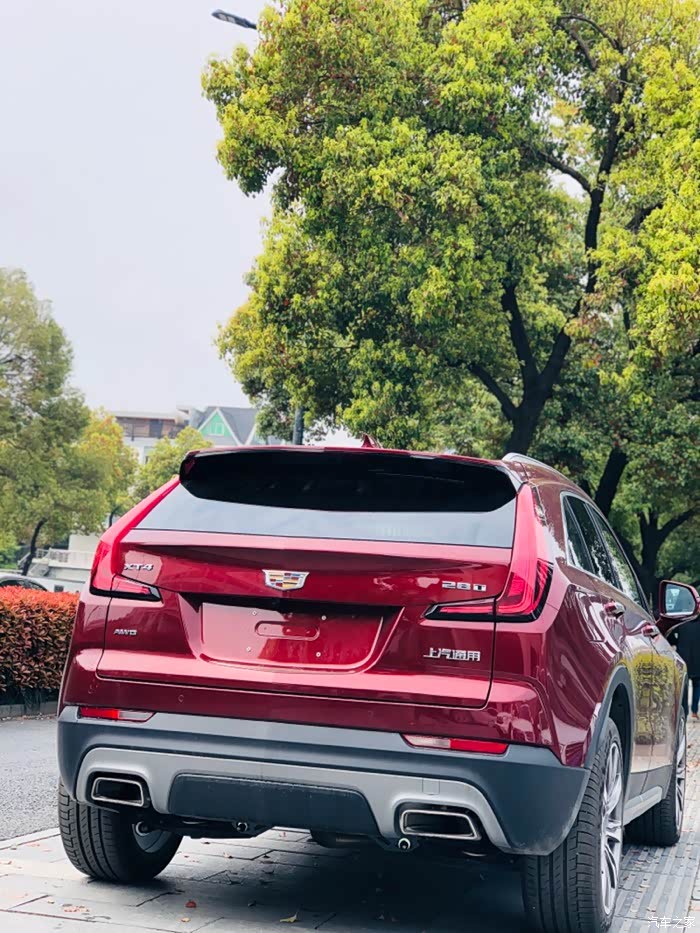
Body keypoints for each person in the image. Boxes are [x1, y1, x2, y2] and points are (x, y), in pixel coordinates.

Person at [668, 617, 700, 719]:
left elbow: (671, 637)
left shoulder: (681, 622)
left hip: (683, 657)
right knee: (697, 685)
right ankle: (694, 711)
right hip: (698, 659)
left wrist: (677, 643)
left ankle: (684, 712)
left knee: (684, 687)